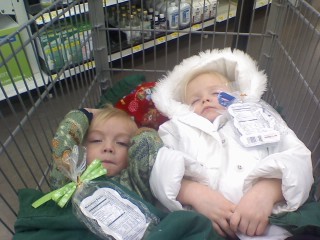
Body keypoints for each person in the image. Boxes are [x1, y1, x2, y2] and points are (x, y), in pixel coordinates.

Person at [149, 48, 314, 239]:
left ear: (238, 94)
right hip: (203, 229)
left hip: (270, 226)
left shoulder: (260, 117)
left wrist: (268, 191)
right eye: (195, 99)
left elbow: (297, 156)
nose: (205, 99)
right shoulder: (176, 129)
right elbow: (160, 166)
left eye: (216, 92)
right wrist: (193, 192)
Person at [49, 104, 163, 203]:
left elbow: (148, 143)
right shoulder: (70, 181)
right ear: (82, 147)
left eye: (121, 143)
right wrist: (84, 114)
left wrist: (140, 130)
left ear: (132, 149)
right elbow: (62, 145)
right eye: (96, 140)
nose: (108, 148)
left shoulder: (135, 179)